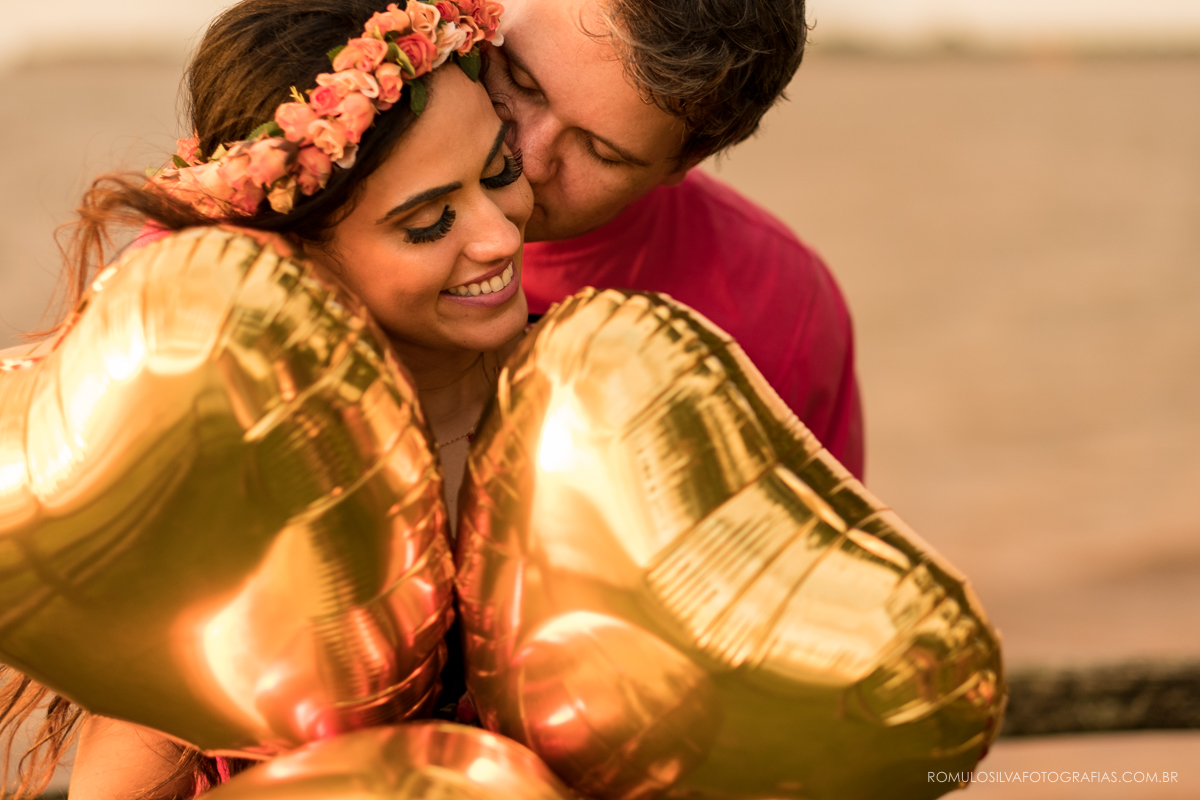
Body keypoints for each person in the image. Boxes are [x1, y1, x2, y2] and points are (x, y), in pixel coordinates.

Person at [0, 0, 527, 797]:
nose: (500, 237)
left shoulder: (594, 392)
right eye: (428, 221)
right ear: (299, 248)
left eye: (500, 171)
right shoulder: (231, 452)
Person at [486, 0, 866, 478]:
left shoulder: (780, 308)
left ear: (686, 160)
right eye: (519, 81)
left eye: (600, 152)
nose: (526, 159)